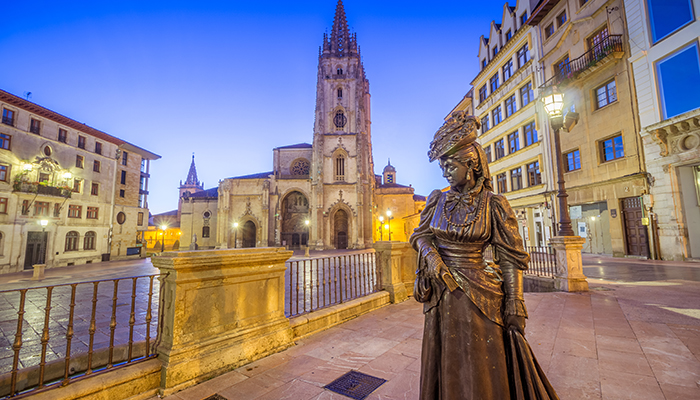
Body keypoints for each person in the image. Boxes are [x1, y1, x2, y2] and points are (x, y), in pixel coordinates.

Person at [410, 111, 558, 400]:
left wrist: (515, 302)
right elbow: (420, 235)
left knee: (477, 364)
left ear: (471, 164)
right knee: (445, 360)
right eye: (442, 167)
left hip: (480, 297)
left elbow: (510, 256)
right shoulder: (437, 200)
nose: (445, 173)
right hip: (441, 295)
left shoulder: (494, 204)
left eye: (450, 166)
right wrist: (431, 256)